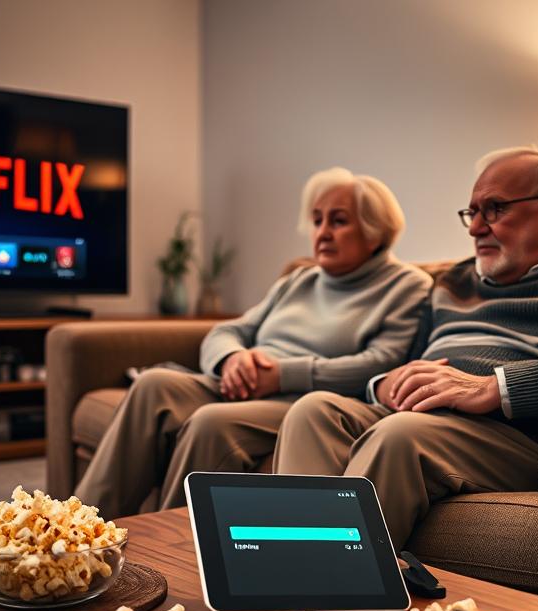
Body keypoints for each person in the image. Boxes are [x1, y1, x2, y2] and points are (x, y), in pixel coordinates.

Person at [273, 146, 538, 548]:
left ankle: (321, 594)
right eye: (472, 212)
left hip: (518, 434)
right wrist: (385, 384)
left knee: (401, 436)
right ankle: (279, 574)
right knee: (314, 412)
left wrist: (497, 387)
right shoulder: (453, 281)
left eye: (495, 210)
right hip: (424, 415)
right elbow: (409, 359)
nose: (476, 228)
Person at [75, 167, 433, 519]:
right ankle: (79, 530)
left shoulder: (406, 285)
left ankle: (174, 554)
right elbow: (227, 331)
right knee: (154, 384)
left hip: (300, 402)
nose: (322, 233)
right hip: (242, 383)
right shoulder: (300, 280)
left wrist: (282, 376)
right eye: (317, 220)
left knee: (210, 422)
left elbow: (382, 363)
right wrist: (232, 359)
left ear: (375, 232)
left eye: (338, 221)